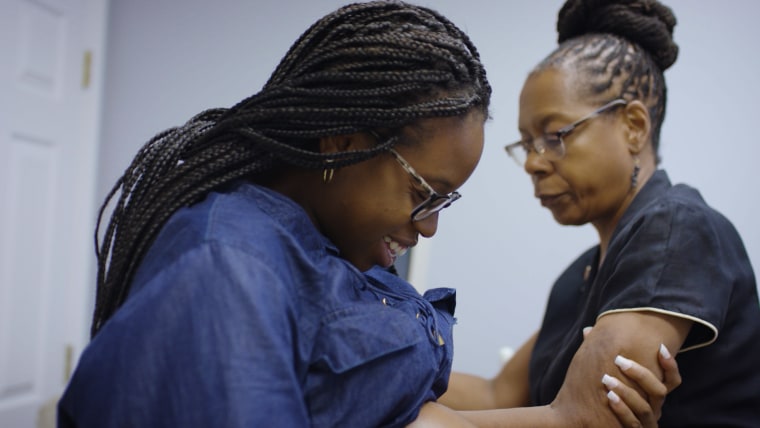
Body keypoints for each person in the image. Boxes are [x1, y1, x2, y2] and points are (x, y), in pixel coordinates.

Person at [58, 1, 678, 427]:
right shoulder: (226, 267)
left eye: (444, 201)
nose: (429, 226)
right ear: (343, 143)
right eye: (423, 194)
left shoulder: (326, 249)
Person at [440, 0, 760, 426]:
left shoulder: (677, 228)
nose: (535, 162)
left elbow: (587, 418)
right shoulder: (579, 277)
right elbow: (495, 392)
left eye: (554, 135)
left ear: (633, 126)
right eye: (526, 143)